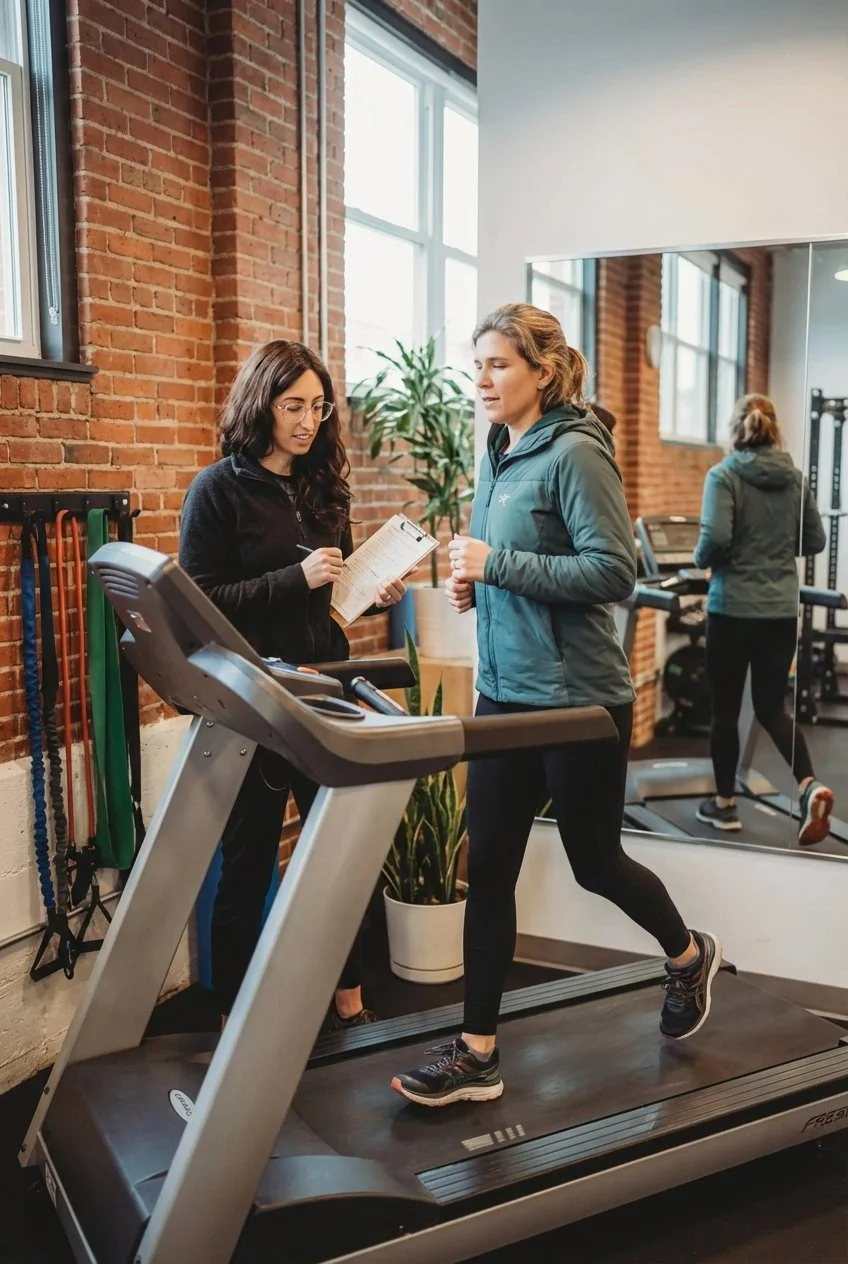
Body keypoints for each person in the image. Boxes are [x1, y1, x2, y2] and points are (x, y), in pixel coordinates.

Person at [391, 303, 720, 1107]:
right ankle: (477, 1053)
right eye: (477, 367)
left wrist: (498, 562)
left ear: (542, 370)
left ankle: (685, 955)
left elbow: (612, 575)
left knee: (593, 861)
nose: (481, 381)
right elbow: (509, 566)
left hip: (579, 703)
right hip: (505, 695)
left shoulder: (577, 453)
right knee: (489, 868)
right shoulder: (498, 453)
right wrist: (476, 585)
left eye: (497, 365)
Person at [179, 339, 409, 1028]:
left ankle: (350, 998)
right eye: (292, 407)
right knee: (248, 858)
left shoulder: (325, 487)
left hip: (325, 688)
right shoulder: (218, 489)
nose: (307, 421)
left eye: (317, 406)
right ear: (262, 405)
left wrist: (373, 590)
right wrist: (293, 578)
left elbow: (329, 602)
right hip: (257, 693)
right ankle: (226, 1015)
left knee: (339, 854)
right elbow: (199, 597)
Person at [692, 393, 833, 845]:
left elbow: (714, 537)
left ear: (736, 430)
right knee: (772, 707)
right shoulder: (794, 478)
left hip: (732, 610)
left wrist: (704, 558)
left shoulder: (724, 475)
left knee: (725, 711)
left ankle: (725, 805)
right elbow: (814, 539)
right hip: (778, 614)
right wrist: (772, 547)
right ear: (773, 429)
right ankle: (808, 784)